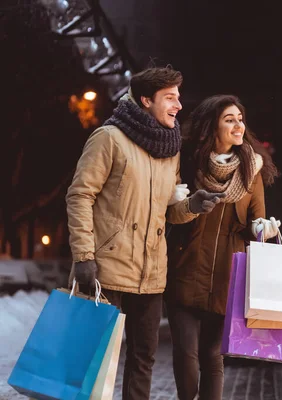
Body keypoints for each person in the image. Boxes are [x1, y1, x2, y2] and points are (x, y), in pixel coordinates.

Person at [66, 66, 223, 399]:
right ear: (145, 100)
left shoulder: (170, 149)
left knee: (143, 360)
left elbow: (168, 213)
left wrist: (193, 205)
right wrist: (84, 256)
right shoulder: (109, 138)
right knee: (94, 360)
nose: (178, 105)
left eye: (178, 97)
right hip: (105, 272)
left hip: (151, 275)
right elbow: (79, 195)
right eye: (170, 97)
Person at [164, 94, 280, 400]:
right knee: (185, 353)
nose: (238, 124)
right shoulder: (189, 162)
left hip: (226, 278)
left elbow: (257, 218)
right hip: (184, 269)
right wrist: (185, 203)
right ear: (212, 126)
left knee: (213, 356)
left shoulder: (250, 169)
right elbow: (171, 215)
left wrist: (264, 228)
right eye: (230, 119)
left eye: (240, 119)